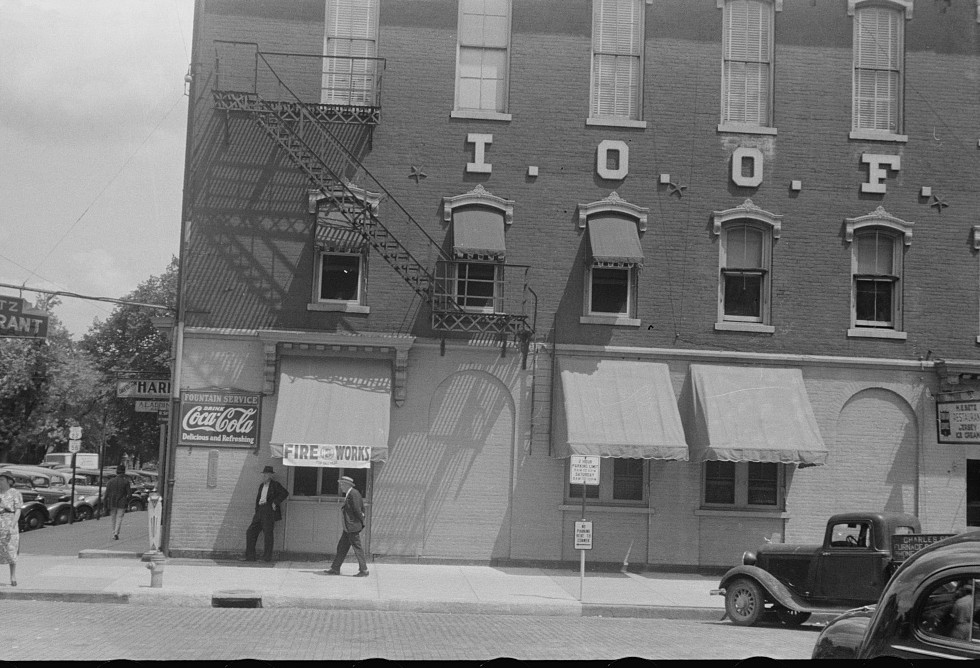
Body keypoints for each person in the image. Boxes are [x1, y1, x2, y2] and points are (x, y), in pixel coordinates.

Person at [242, 465, 288, 562]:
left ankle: (266, 558)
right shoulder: (261, 486)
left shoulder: (275, 485)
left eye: (266, 475)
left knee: (268, 534)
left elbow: (285, 493)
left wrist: (275, 502)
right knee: (250, 532)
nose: (264, 477)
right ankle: (250, 557)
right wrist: (257, 511)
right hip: (260, 511)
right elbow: (258, 499)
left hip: (269, 511)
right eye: (263, 475)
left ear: (270, 475)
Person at [325, 475, 368, 577]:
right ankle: (335, 568)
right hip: (348, 528)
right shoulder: (350, 494)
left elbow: (358, 510)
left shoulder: (353, 494)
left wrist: (360, 523)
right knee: (342, 548)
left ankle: (364, 570)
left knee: (357, 548)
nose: (340, 486)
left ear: (347, 485)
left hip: (352, 527)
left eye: (341, 484)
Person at [0, 470, 23, 586]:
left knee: (11, 550)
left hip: (9, 521)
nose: (0, 482)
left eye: (2, 479)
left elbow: (18, 509)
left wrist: (14, 523)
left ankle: (13, 576)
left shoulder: (15, 493)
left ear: (9, 481)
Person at [103, 464, 133, 540]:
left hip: (112, 502)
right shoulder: (126, 482)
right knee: (119, 518)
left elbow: (106, 494)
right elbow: (129, 495)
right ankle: (116, 533)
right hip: (122, 502)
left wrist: (105, 504)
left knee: (113, 518)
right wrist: (127, 501)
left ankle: (113, 532)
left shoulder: (110, 481)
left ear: (116, 472)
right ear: (123, 472)